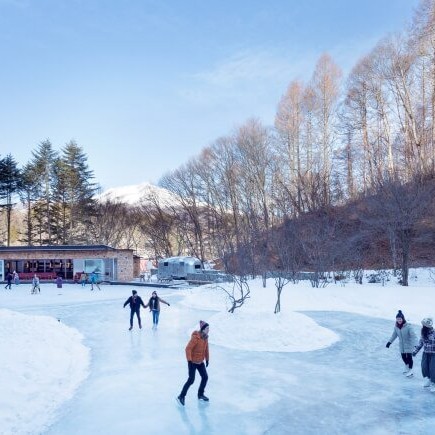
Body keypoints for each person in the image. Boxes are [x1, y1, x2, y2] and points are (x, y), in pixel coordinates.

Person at [177, 320, 210, 406]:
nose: (208, 330)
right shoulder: (196, 337)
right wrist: (189, 360)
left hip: (200, 361)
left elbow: (206, 349)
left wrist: (207, 359)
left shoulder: (205, 337)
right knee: (191, 380)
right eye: (207, 328)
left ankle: (200, 394)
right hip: (192, 361)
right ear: (202, 329)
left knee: (205, 377)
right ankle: (181, 396)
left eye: (208, 328)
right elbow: (188, 348)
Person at [386, 310, 416, 377]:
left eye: (400, 319)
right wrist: (389, 342)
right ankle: (407, 367)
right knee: (403, 357)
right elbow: (394, 335)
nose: (399, 320)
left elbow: (413, 336)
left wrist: (415, 344)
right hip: (401, 345)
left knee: (409, 357)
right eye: (397, 319)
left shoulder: (408, 326)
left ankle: (411, 370)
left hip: (409, 344)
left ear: (403, 319)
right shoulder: (396, 327)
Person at [412, 317, 435, 392]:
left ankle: (433, 383)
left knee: (433, 369)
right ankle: (429, 379)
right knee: (424, 367)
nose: (423, 326)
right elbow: (421, 343)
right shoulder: (423, 333)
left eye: (425, 325)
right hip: (426, 353)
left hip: (433, 354)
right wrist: (415, 351)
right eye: (423, 325)